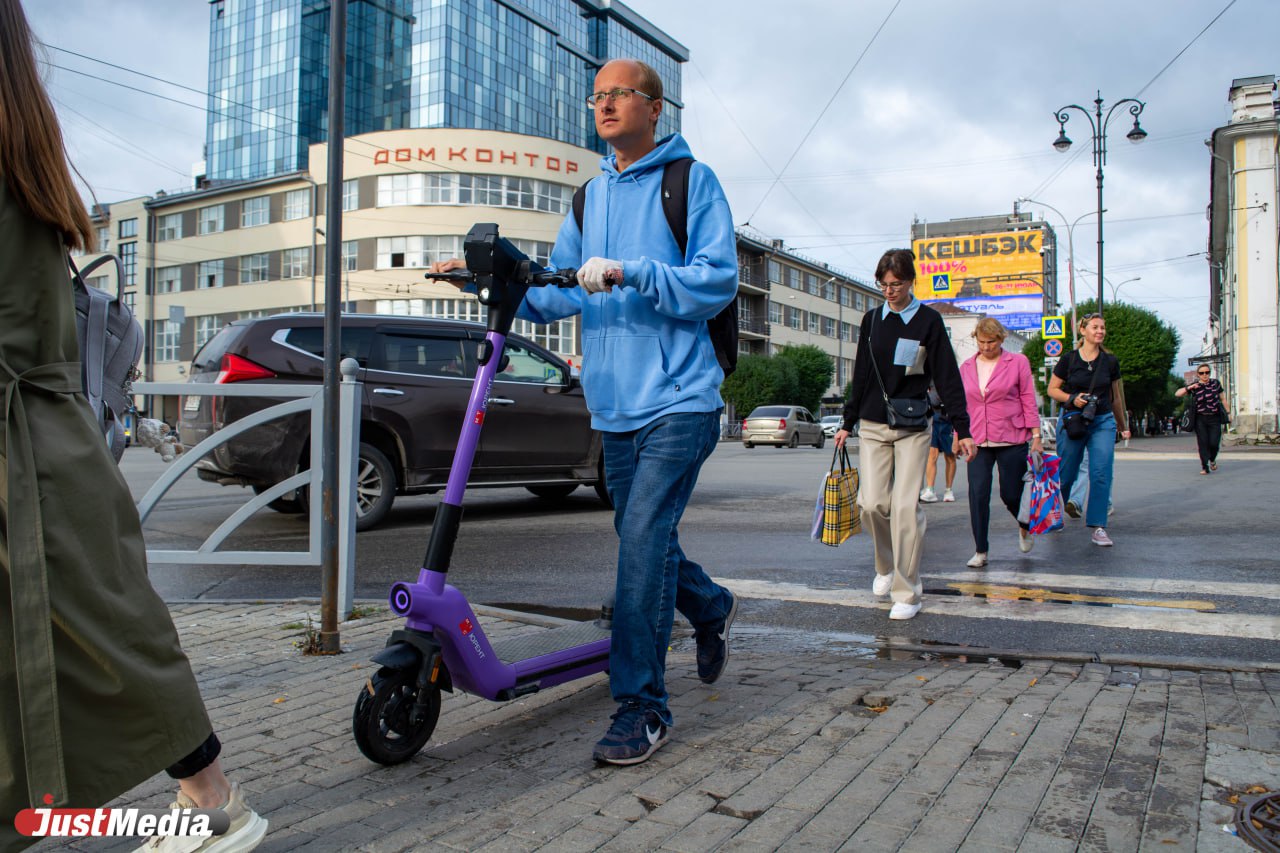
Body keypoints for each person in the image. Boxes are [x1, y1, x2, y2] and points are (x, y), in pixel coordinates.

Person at [0, 3, 266, 850]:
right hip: (48, 444)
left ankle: (215, 806)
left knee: (114, 634)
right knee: (112, 630)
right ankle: (211, 802)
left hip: (29, 457)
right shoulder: (23, 146)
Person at [430, 59, 737, 766]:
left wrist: (635, 271)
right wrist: (484, 281)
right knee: (647, 542)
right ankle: (711, 605)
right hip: (614, 406)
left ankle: (642, 705)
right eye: (596, 97)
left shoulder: (691, 182)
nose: (602, 105)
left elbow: (718, 281)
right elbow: (557, 291)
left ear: (654, 107)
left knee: (638, 544)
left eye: (616, 95)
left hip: (679, 398)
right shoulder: (589, 195)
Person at [834, 249, 975, 620]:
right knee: (871, 504)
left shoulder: (928, 321)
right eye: (883, 285)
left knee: (904, 508)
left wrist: (963, 427)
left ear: (911, 282)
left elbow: (947, 375)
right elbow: (862, 373)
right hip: (874, 424)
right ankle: (885, 566)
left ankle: (907, 592)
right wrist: (847, 421)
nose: (889, 291)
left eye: (896, 285)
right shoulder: (872, 320)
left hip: (913, 426)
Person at [955, 318, 1041, 567]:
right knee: (978, 493)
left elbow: (1027, 398)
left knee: (1011, 494)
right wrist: (957, 436)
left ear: (1001, 340)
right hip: (977, 439)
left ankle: (1024, 525)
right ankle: (981, 550)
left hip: (1012, 436)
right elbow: (961, 405)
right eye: (981, 342)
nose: (985, 347)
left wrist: (1036, 436)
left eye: (991, 342)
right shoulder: (967, 366)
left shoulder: (1018, 362)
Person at [1047, 313, 1131, 546]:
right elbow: (1053, 390)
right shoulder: (1069, 359)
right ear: (1082, 330)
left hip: (1102, 420)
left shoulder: (1110, 361)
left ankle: (1098, 526)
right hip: (1074, 420)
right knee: (1067, 473)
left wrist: (1122, 426)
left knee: (1101, 472)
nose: (1100, 331)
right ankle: (1056, 512)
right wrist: (1072, 398)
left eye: (1103, 327)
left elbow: (1115, 397)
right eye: (1095, 327)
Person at [1175, 365, 1227, 475]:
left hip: (1214, 417)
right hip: (1200, 418)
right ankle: (1205, 466)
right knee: (1203, 443)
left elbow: (1222, 398)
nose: (1205, 375)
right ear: (1198, 374)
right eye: (1202, 373)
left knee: (1214, 443)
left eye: (1207, 372)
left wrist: (1228, 413)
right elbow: (1177, 393)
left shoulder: (1215, 383)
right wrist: (1189, 387)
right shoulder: (1195, 386)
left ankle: (1212, 459)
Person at [918, 384, 957, 504]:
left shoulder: (952, 375)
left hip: (949, 419)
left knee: (950, 455)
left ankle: (948, 490)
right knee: (932, 454)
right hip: (933, 419)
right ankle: (930, 489)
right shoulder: (929, 375)